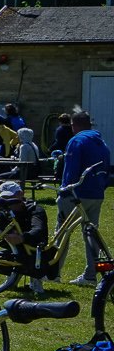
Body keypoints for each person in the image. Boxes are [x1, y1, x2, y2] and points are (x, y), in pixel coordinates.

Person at [61, 109, 111, 284]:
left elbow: (70, 171)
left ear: (74, 126)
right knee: (91, 235)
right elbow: (106, 170)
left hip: (77, 194)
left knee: (62, 233)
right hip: (96, 194)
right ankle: (90, 275)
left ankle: (53, 272)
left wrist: (64, 191)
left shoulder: (76, 141)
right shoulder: (102, 144)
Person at [0, 180, 52, 294]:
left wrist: (22, 238)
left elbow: (38, 230)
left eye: (11, 197)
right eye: (5, 197)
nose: (8, 201)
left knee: (33, 255)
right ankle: (14, 276)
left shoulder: (35, 209)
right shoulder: (4, 214)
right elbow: (1, 239)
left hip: (35, 249)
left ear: (21, 194)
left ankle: (35, 279)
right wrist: (8, 238)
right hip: (15, 250)